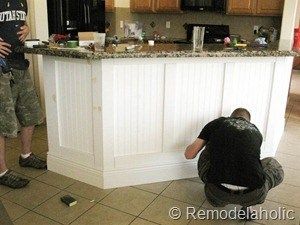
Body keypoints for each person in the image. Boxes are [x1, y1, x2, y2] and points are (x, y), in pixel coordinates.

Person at [184, 108, 284, 220]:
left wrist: (209, 144)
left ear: (230, 117)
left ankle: (219, 196)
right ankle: (248, 206)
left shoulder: (216, 123)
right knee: (271, 162)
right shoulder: (256, 132)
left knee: (209, 149)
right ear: (248, 122)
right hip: (254, 195)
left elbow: (189, 154)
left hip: (215, 194)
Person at [0, 0, 47, 189]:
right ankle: (1, 171)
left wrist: (27, 28)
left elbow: (19, 25)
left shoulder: (22, 1)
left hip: (19, 63)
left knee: (32, 113)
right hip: (1, 66)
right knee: (2, 121)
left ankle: (26, 156)